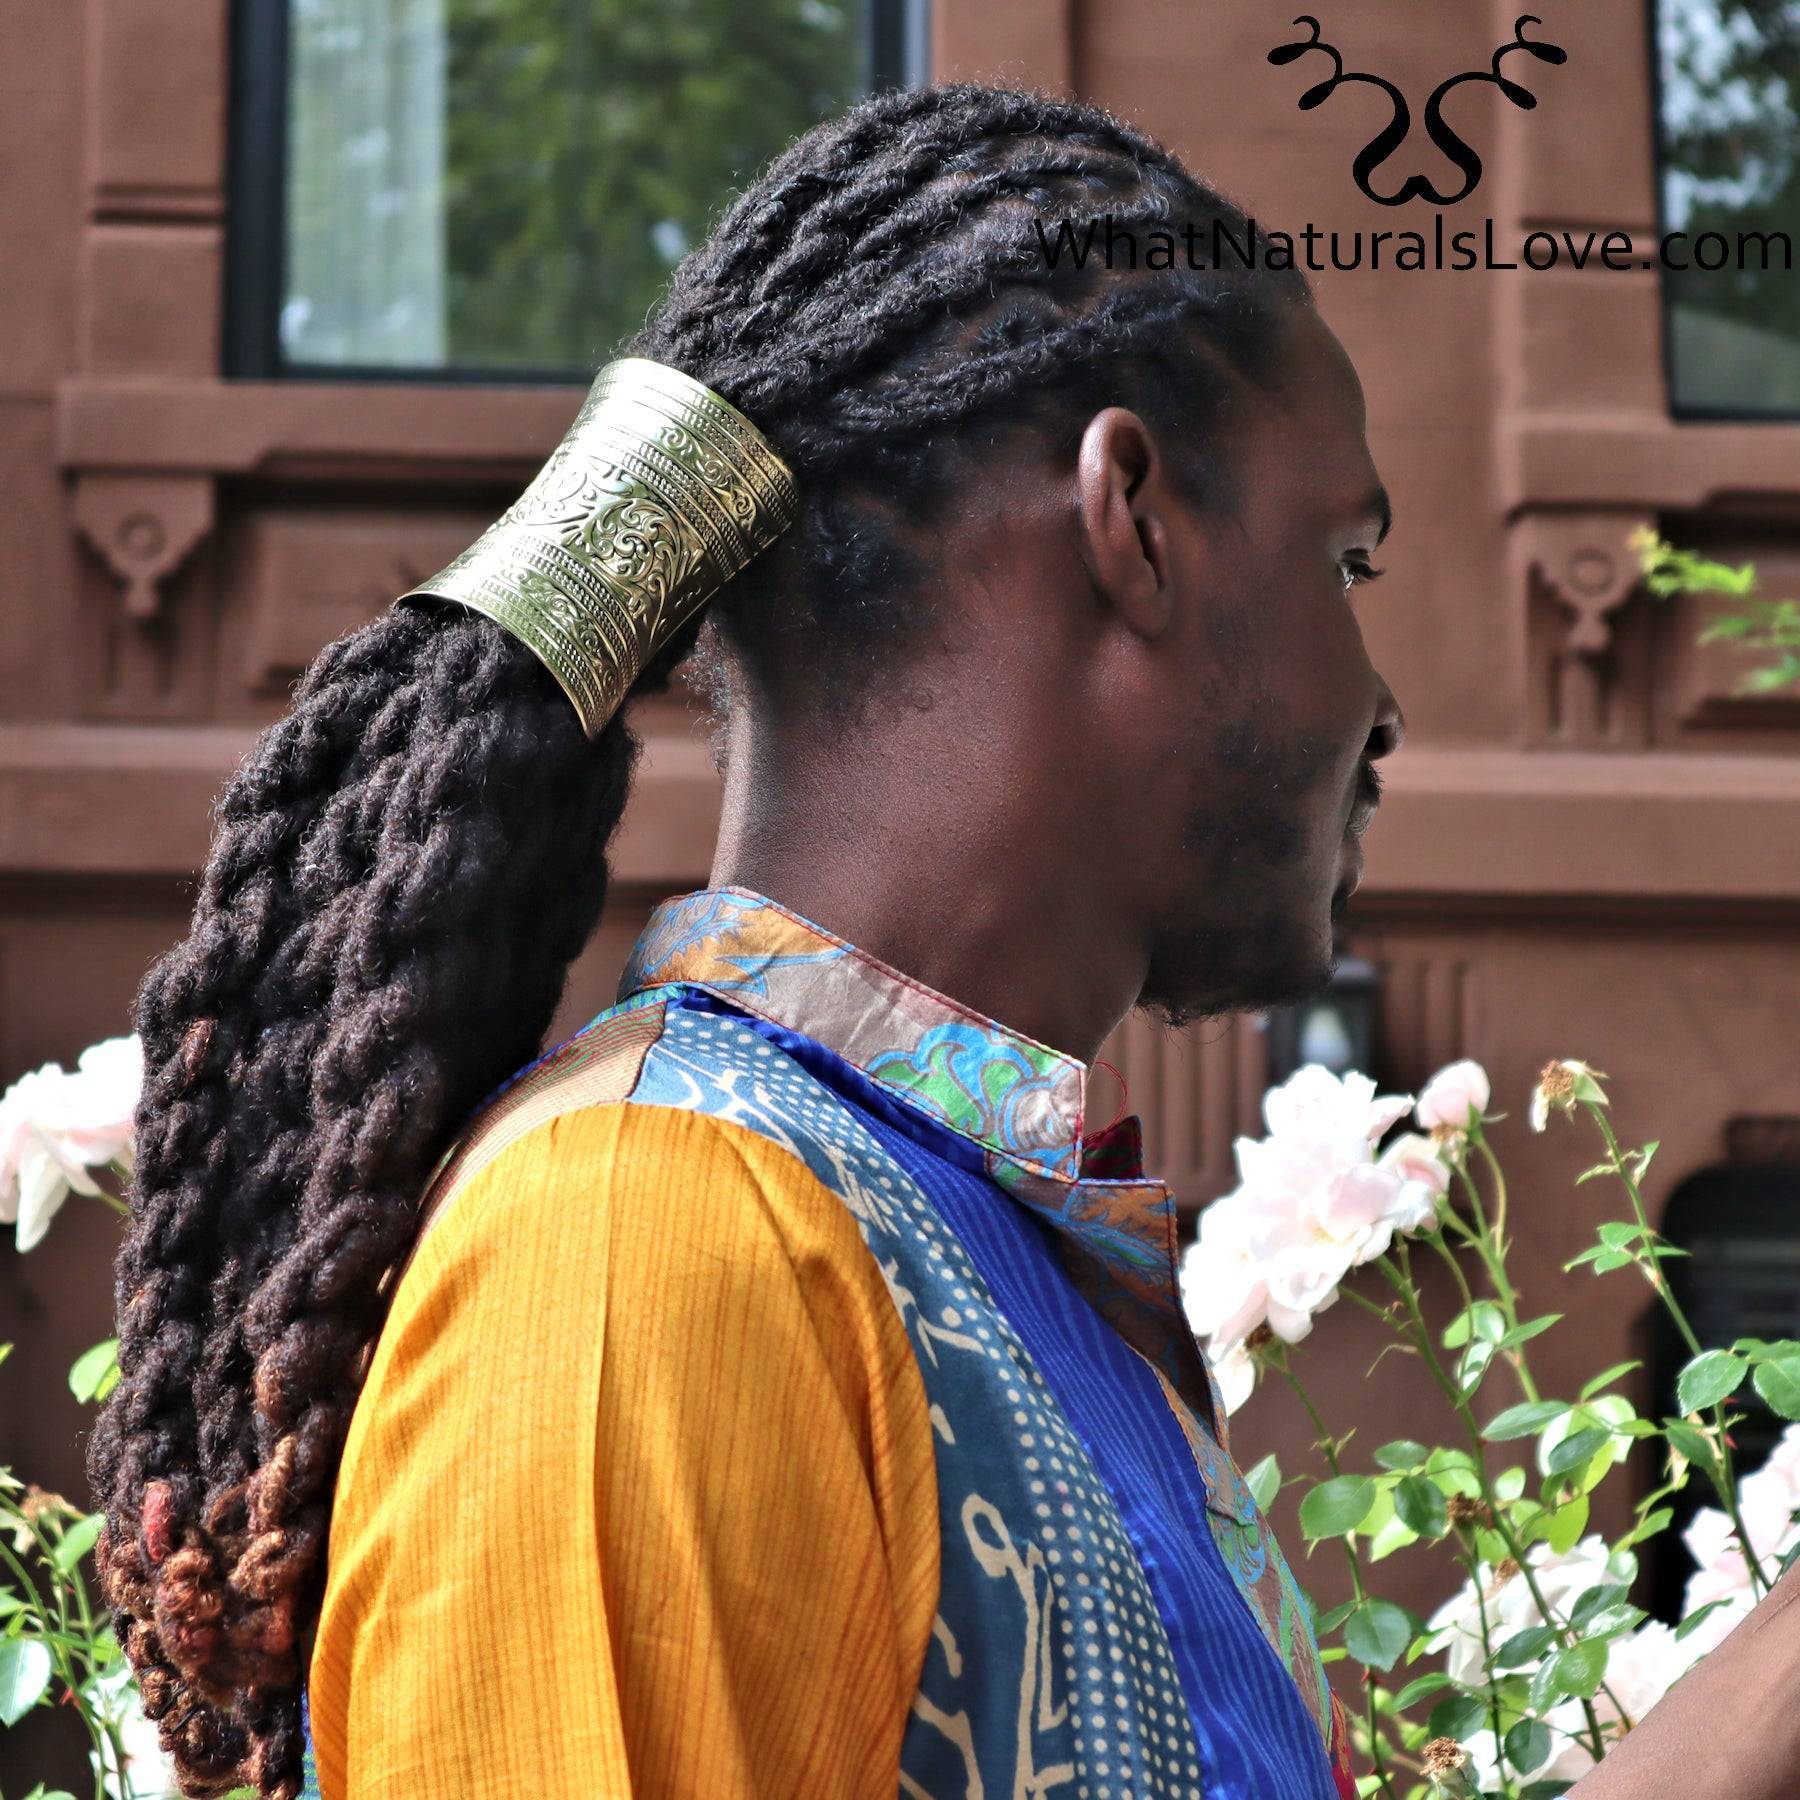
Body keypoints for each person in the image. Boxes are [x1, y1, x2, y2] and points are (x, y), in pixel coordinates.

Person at [81, 78, 1800, 1800]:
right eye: (1344, 564)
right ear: (1130, 519)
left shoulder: (964, 1247)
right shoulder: (648, 1243)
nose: (1379, 700)